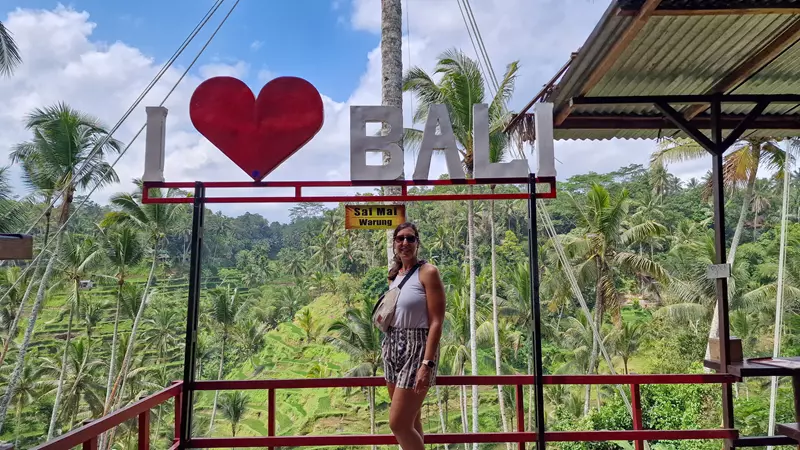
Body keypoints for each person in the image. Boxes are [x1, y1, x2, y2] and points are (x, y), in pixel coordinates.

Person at [381, 222, 445, 450]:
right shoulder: (394, 276)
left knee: (397, 423)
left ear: (418, 243)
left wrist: (427, 363)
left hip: (417, 348)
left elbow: (437, 321)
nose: (405, 243)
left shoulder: (428, 272)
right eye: (400, 239)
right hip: (392, 345)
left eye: (410, 239)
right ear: (394, 243)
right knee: (411, 420)